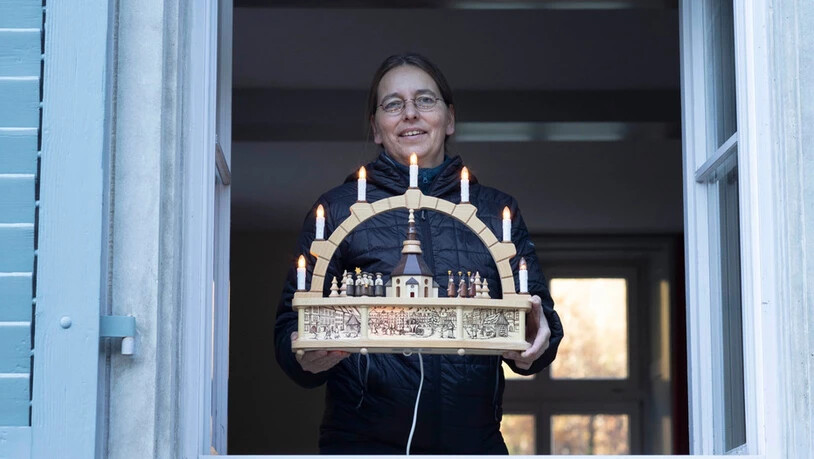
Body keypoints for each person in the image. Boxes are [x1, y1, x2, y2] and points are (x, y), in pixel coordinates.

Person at [274, 52, 564, 454]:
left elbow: (539, 325)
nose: (410, 113)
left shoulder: (496, 212)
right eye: (393, 104)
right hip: (361, 446)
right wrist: (302, 355)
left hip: (471, 444)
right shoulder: (339, 211)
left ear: (450, 119)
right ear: (376, 128)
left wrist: (536, 341)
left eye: (425, 100)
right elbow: (290, 328)